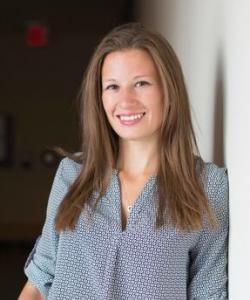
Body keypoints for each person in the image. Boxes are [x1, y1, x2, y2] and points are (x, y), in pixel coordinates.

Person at [18, 22, 229, 300]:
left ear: (168, 91)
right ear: (100, 97)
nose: (125, 101)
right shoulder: (72, 176)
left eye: (141, 83)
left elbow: (209, 294)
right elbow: (39, 280)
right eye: (112, 86)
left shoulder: (207, 187)